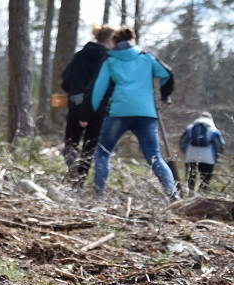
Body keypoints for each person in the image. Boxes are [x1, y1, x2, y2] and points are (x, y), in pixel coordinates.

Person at [90, 26, 178, 201]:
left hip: (119, 112)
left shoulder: (110, 61)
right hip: (146, 113)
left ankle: (98, 195)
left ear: (115, 42)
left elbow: (98, 90)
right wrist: (165, 96)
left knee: (103, 152)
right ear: (132, 40)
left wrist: (93, 111)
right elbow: (167, 74)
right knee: (154, 156)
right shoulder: (146, 58)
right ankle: (172, 193)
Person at [60, 24, 114, 187]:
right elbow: (112, 84)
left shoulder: (80, 56)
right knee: (90, 147)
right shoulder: (109, 59)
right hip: (99, 108)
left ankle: (71, 173)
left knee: (71, 143)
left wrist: (76, 91)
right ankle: (80, 182)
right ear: (110, 40)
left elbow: (65, 80)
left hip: (76, 105)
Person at [180, 112, 226, 192]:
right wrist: (216, 157)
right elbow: (220, 145)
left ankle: (189, 196)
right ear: (211, 119)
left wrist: (186, 153)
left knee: (190, 179)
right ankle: (201, 196)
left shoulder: (190, 128)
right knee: (205, 181)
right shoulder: (214, 130)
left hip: (191, 157)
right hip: (208, 159)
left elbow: (182, 142)